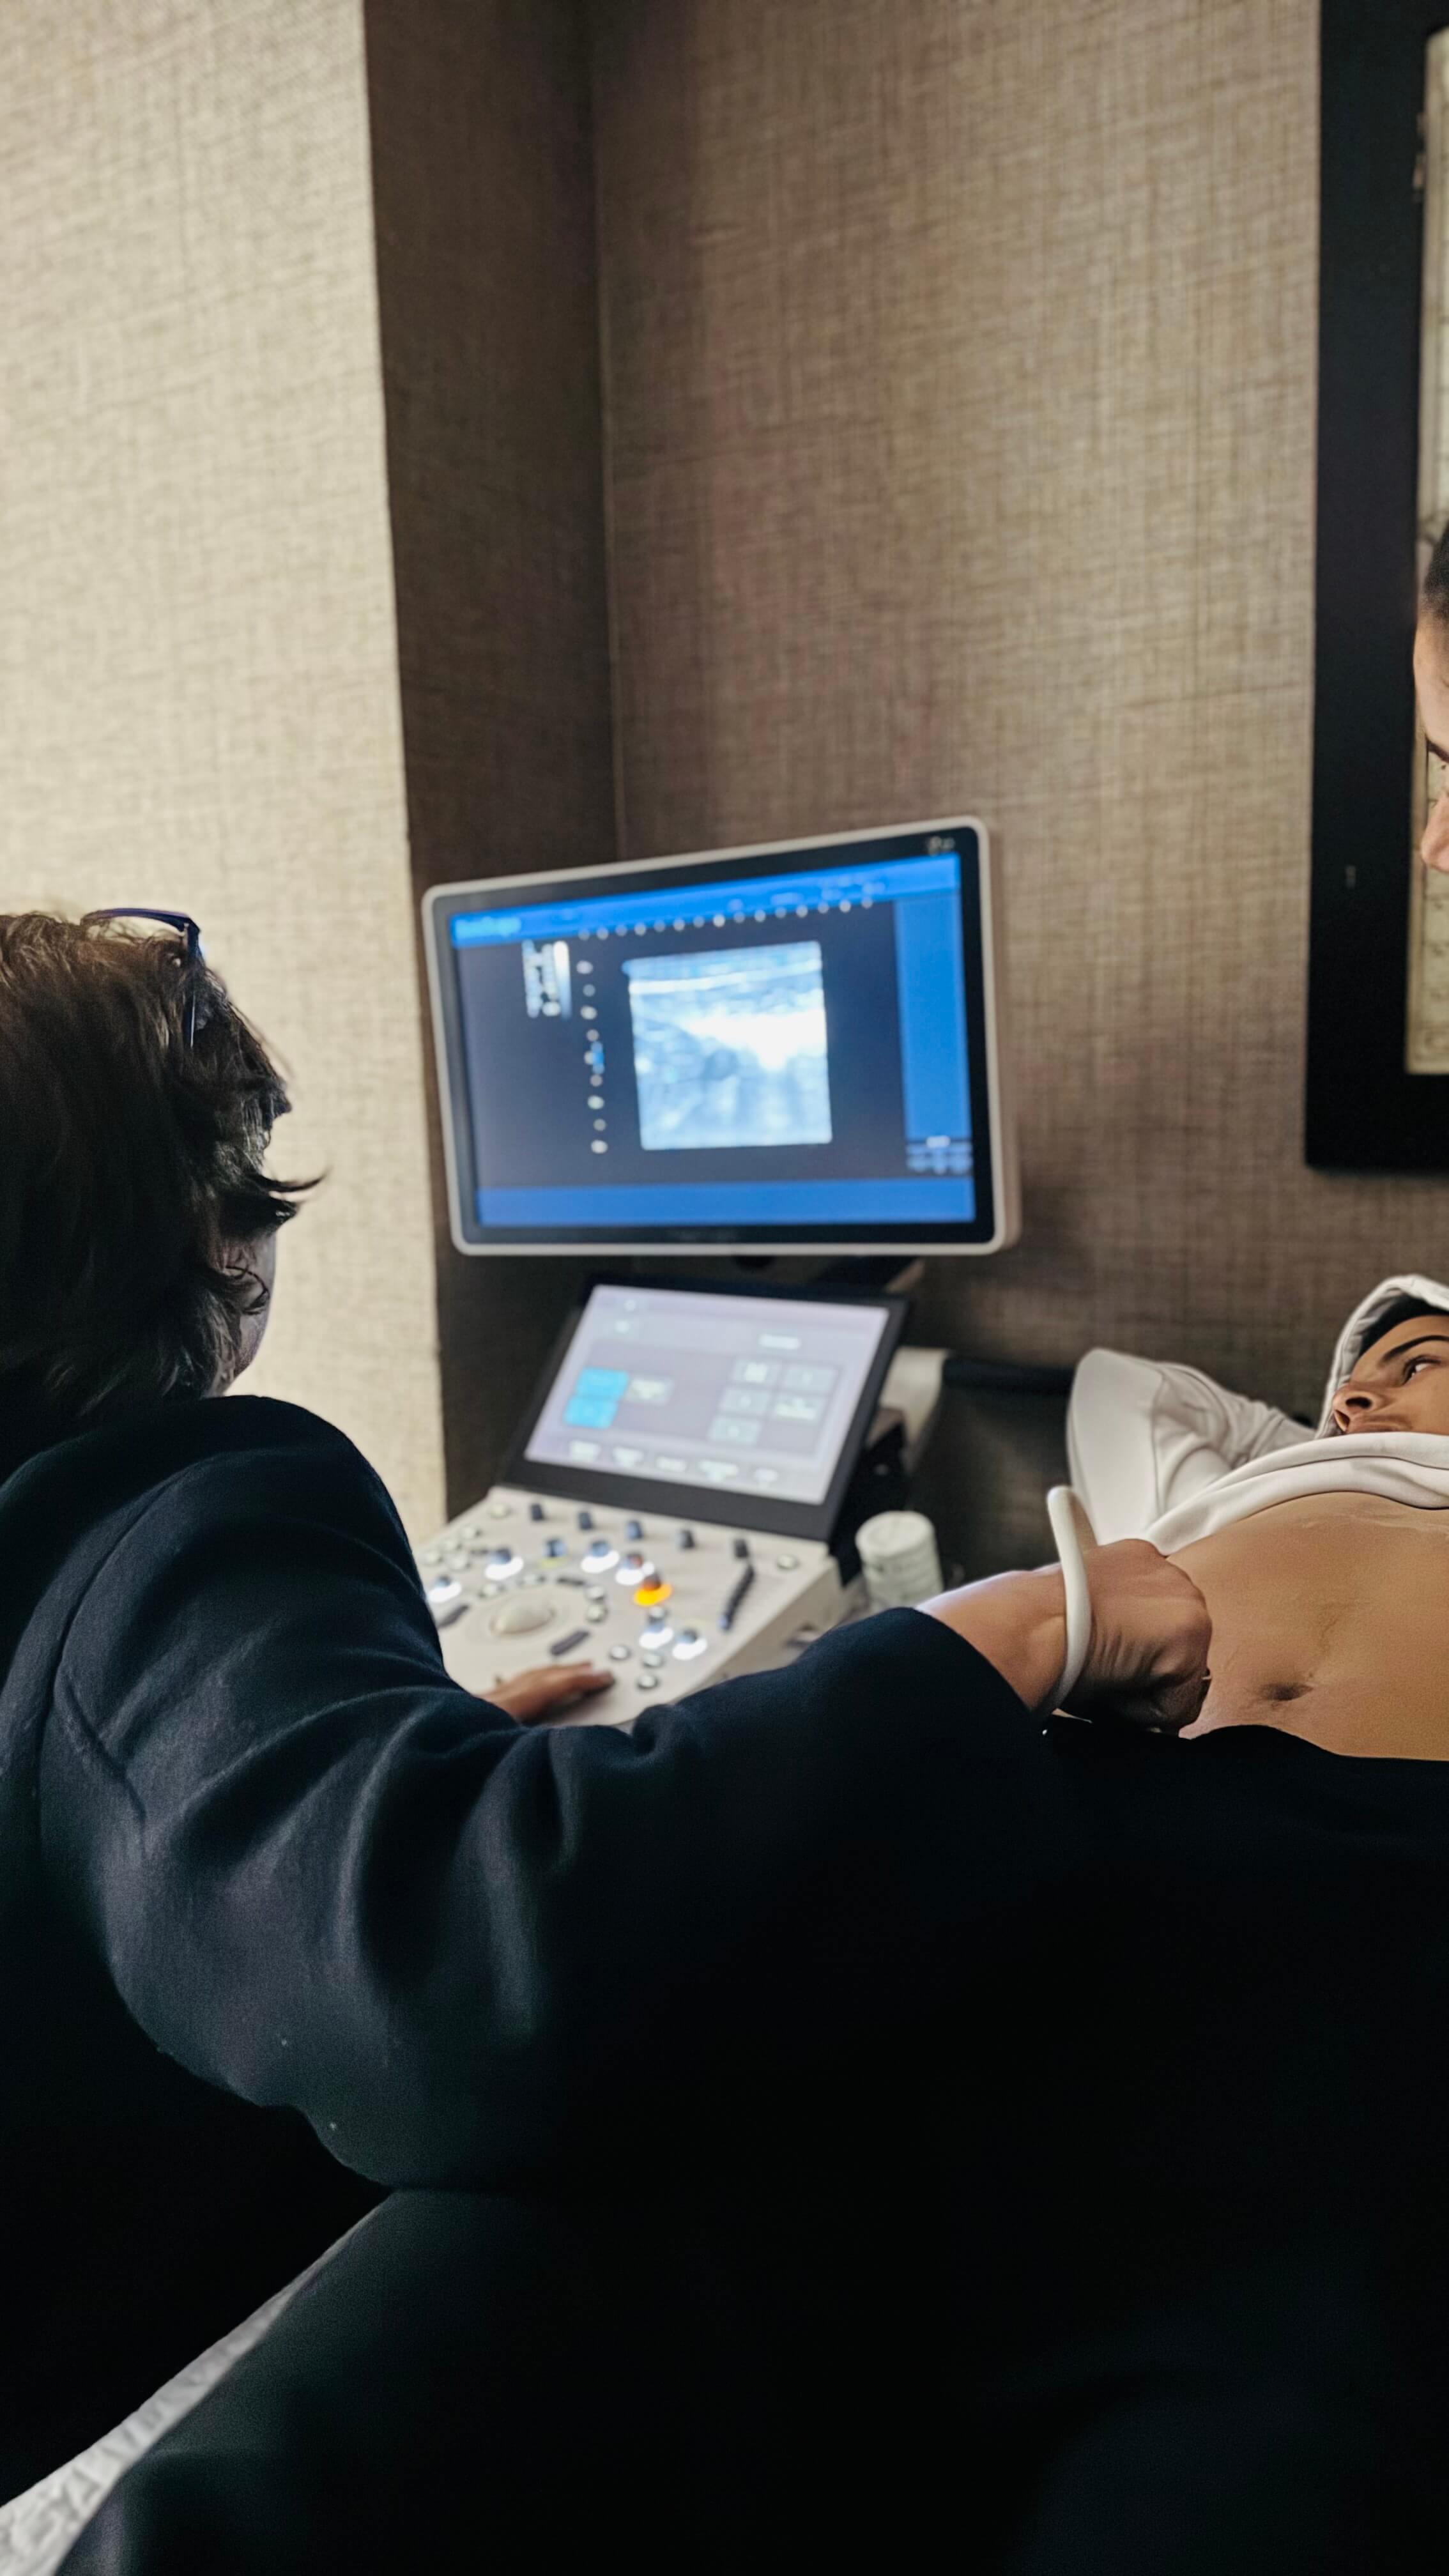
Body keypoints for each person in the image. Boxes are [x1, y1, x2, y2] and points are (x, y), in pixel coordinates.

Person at [2, 909, 1215, 2572]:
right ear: (204, 1228)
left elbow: (101, 1803)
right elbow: (474, 1989)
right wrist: (998, 1634)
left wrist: (346, 1773)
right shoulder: (174, 1522)